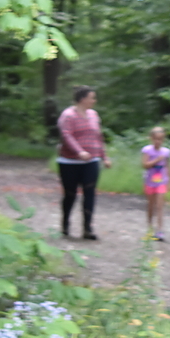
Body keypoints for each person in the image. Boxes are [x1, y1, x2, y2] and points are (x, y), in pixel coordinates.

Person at [56, 86, 111, 240]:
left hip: (91, 160)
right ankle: (65, 223)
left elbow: (98, 137)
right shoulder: (68, 115)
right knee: (70, 194)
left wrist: (104, 157)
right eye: (92, 97)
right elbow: (66, 135)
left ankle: (87, 228)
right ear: (82, 99)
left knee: (90, 192)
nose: (94, 101)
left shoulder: (94, 115)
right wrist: (79, 151)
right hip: (69, 161)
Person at [141, 126, 170, 242]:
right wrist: (156, 160)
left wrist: (169, 182)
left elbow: (168, 167)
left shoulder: (166, 152)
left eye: (160, 139)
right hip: (149, 182)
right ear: (151, 139)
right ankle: (149, 228)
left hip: (161, 182)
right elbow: (144, 165)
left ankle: (160, 230)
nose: (158, 142)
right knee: (151, 205)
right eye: (155, 139)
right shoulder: (147, 150)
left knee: (160, 206)